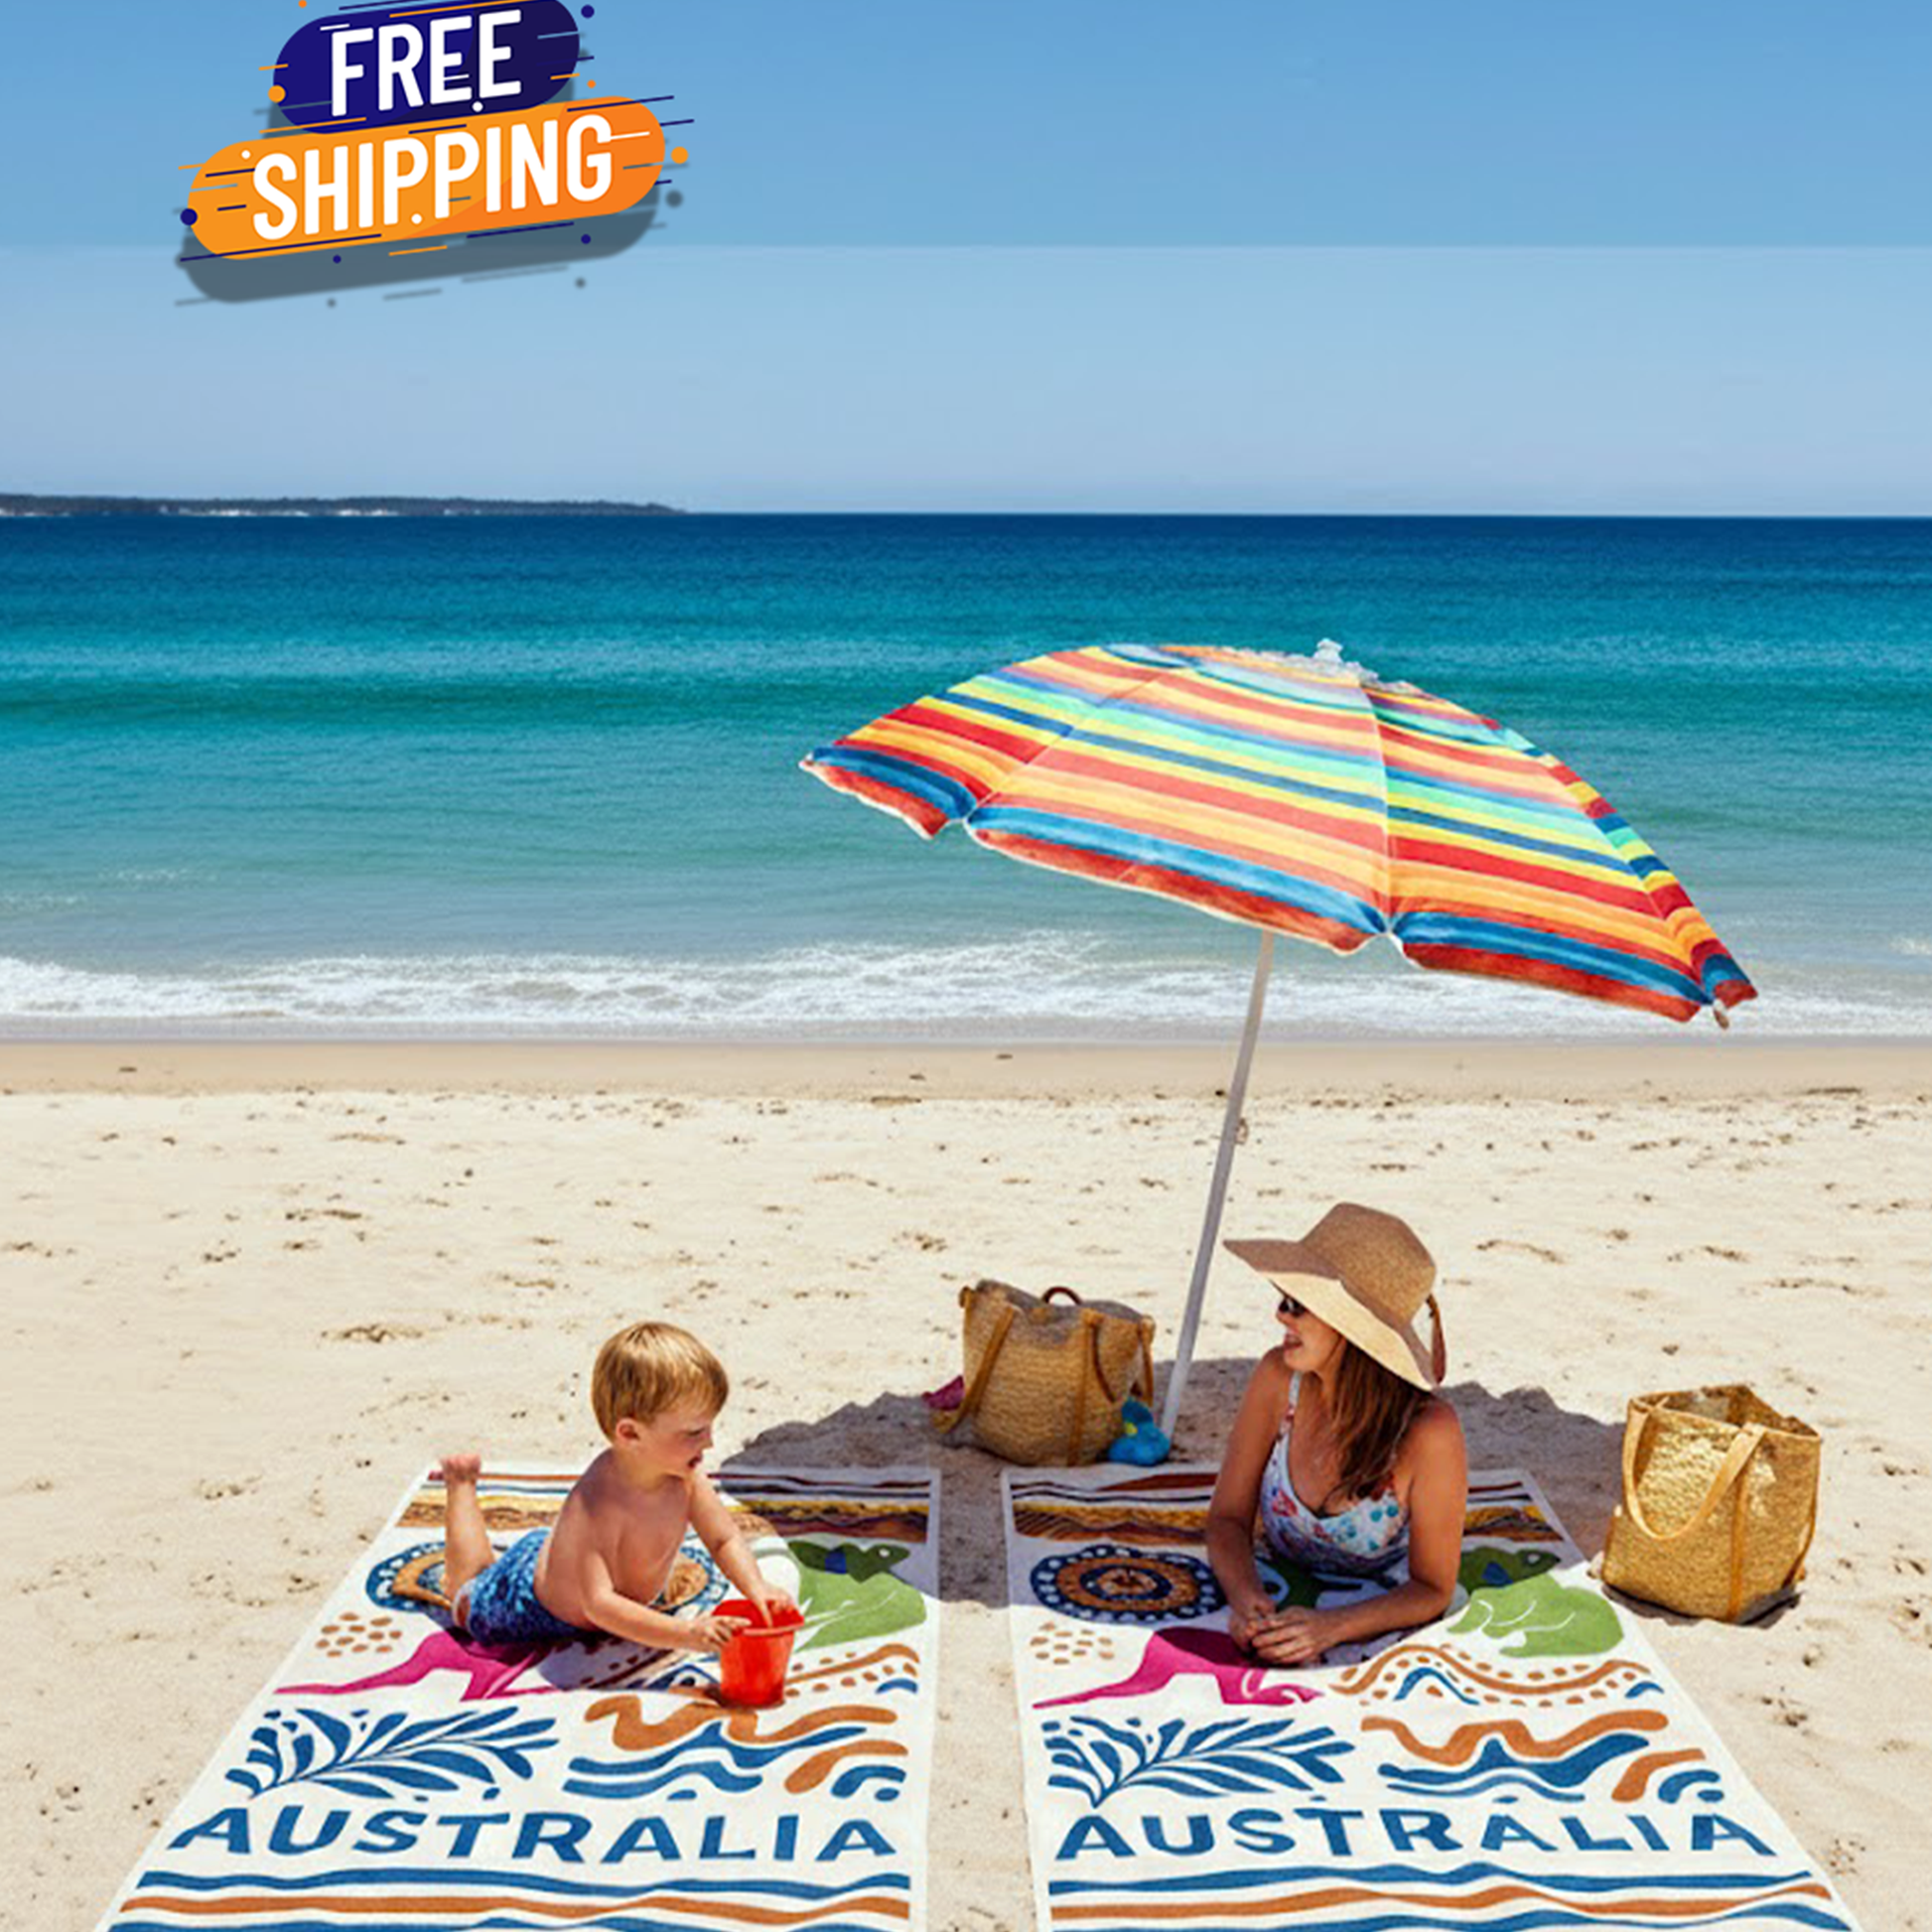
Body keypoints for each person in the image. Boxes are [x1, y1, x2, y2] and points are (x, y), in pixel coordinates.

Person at [1206, 1202, 1467, 1666]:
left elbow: (1432, 1588)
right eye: (1283, 1298)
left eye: (1297, 1305)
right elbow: (1227, 1519)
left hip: (1377, 1606)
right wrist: (1247, 1600)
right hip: (1281, 1586)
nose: (1280, 1316)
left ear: (1351, 1329)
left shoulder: (1429, 1433)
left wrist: (1331, 1628)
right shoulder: (1276, 1381)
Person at [439, 1319, 793, 1650]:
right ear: (630, 1433)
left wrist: (755, 1586)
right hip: (531, 1606)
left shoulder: (685, 1476)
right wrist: (685, 1634)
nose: (710, 1443)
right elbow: (598, 1604)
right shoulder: (598, 1502)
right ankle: (461, 1484)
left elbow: (724, 1538)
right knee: (467, 1592)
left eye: (709, 1427)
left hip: (566, 1559)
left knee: (547, 1555)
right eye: (694, 1432)